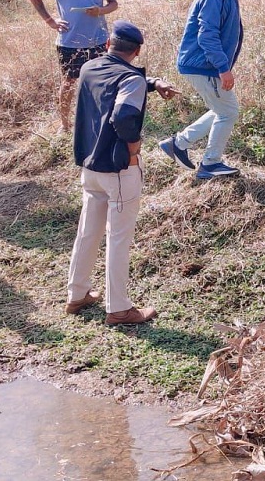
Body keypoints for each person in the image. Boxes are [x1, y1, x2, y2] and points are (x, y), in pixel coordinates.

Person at [66, 20, 180, 325]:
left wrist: (153, 83)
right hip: (119, 168)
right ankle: (118, 308)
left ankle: (77, 294)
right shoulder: (130, 80)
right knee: (118, 238)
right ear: (137, 51)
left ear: (107, 46)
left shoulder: (90, 68)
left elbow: (116, 80)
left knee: (88, 231)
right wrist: (134, 146)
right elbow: (124, 115)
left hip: (90, 166)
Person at [160, 0, 256, 180]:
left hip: (204, 64)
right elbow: (207, 35)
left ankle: (178, 144)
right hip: (203, 65)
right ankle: (210, 163)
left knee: (222, 109)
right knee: (228, 111)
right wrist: (223, 68)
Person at [28, 0, 119, 132]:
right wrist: (50, 20)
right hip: (70, 42)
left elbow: (113, 4)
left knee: (100, 82)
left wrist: (100, 10)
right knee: (69, 82)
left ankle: (99, 121)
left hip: (99, 40)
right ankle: (65, 124)